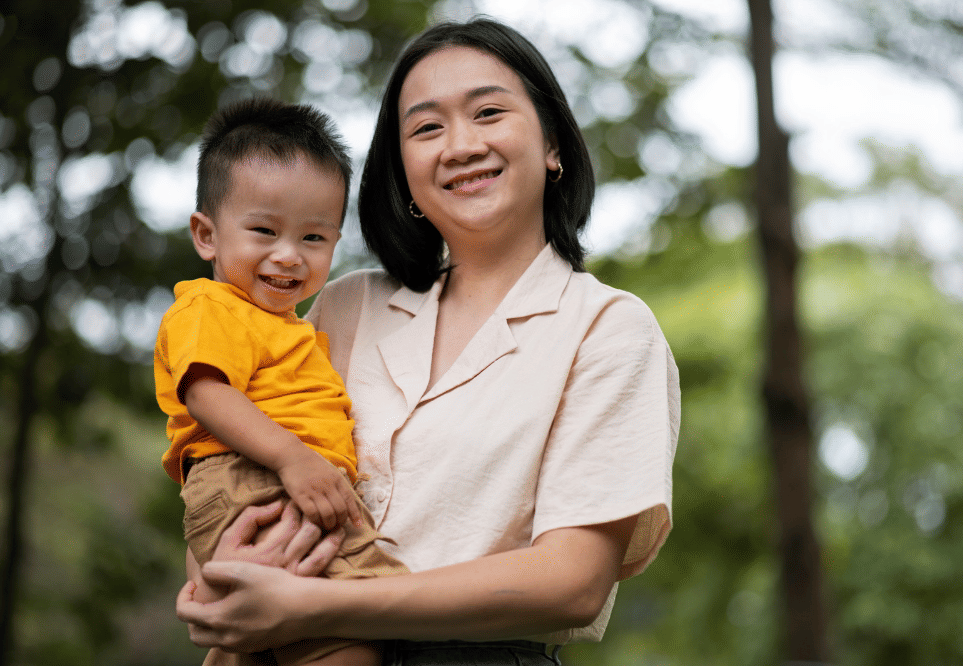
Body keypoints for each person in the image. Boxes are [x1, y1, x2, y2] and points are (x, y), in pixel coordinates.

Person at [177, 18, 681, 666]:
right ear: (406, 172)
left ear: (553, 143)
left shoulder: (607, 329)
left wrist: (320, 607)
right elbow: (227, 462)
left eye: (489, 111)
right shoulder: (343, 306)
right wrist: (218, 570)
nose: (460, 144)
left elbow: (573, 583)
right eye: (426, 127)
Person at [153, 98, 408, 666]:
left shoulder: (290, 327)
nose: (289, 256)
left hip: (290, 480)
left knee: (323, 630)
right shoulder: (208, 307)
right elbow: (207, 394)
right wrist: (294, 459)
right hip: (255, 473)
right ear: (206, 235)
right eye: (264, 230)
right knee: (347, 633)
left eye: (314, 239)